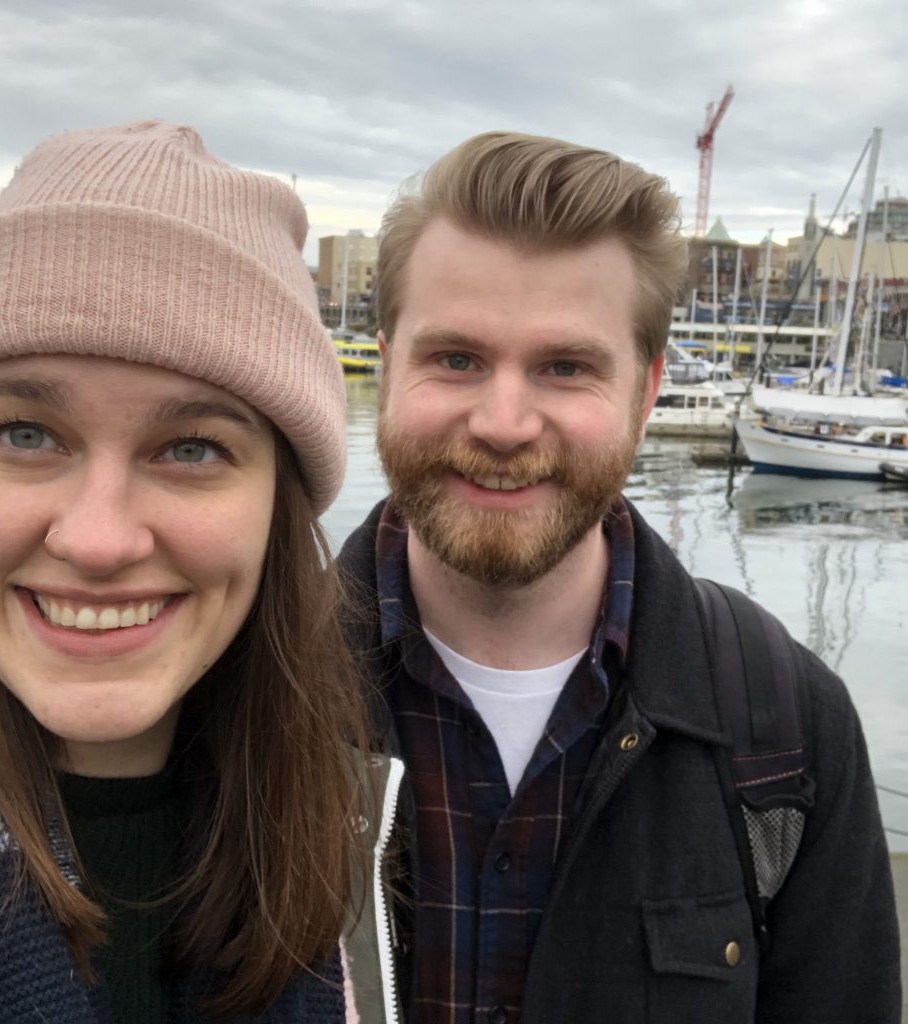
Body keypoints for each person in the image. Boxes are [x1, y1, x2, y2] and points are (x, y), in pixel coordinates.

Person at [338, 132, 901, 1023]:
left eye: (565, 367)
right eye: (456, 359)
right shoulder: (245, 683)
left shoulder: (790, 728)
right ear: (388, 359)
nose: (505, 422)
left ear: (646, 395)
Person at [0, 121, 403, 1024]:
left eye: (191, 447)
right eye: (24, 434)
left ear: (277, 506)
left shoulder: (345, 838)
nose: (97, 539)